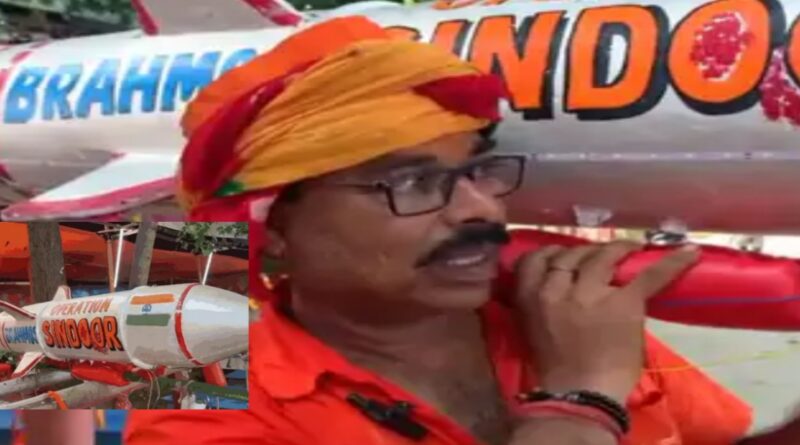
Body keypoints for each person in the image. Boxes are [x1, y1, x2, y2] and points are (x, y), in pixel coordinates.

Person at [118, 16, 795, 445]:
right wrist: (579, 399)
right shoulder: (194, 383)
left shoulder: (557, 317)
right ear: (276, 229)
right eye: (412, 181)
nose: (481, 211)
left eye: (479, 171)